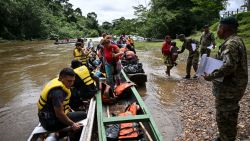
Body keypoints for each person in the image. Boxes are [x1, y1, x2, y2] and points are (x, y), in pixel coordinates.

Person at [203, 17, 248, 141]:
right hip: (234, 86)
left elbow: (228, 66)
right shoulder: (236, 40)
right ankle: (224, 135)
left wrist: (210, 76)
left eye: (218, 27)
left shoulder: (231, 43)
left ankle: (227, 137)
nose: (217, 30)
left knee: (225, 115)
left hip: (230, 89)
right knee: (228, 114)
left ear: (223, 29)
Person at [37, 68, 86, 133]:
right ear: (61, 78)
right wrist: (72, 124)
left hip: (45, 118)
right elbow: (59, 114)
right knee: (84, 114)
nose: (71, 83)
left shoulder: (57, 81)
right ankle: (61, 132)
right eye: (69, 81)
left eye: (73, 81)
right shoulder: (58, 92)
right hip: (50, 123)